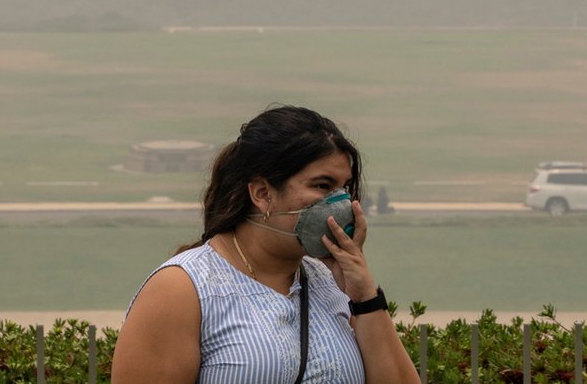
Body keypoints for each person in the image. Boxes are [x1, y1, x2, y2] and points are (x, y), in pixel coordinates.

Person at [113, 106, 419, 384]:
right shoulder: (183, 289)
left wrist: (364, 297)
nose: (339, 202)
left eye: (344, 188)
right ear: (262, 194)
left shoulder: (333, 285)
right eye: (322, 186)